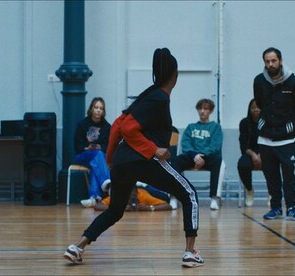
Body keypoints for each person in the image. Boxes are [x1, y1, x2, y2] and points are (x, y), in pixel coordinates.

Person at [64, 48, 204, 268]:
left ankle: (77, 247)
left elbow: (118, 125)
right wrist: (154, 150)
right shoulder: (158, 98)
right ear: (174, 75)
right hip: (143, 160)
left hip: (123, 162)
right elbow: (128, 127)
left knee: (115, 211)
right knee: (189, 194)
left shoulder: (148, 95)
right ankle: (190, 252)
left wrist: (111, 159)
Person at [254, 47, 295, 221]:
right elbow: (260, 103)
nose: (271, 64)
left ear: (280, 60)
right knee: (271, 175)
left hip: (286, 138)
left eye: (273, 60)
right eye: (267, 61)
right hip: (265, 138)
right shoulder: (259, 81)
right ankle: (275, 207)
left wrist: (287, 124)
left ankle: (292, 207)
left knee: (288, 176)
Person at [172, 99, 223, 210]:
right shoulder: (191, 127)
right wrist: (194, 155)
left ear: (211, 111)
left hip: (207, 158)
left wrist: (201, 155)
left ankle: (214, 198)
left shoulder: (216, 127)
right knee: (175, 161)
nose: (202, 111)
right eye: (200, 108)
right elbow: (185, 144)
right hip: (192, 157)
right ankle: (174, 196)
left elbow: (215, 146)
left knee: (218, 160)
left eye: (205, 109)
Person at [73, 97, 111, 208]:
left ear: (103, 111)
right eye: (96, 107)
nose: (98, 110)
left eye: (101, 108)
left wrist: (99, 146)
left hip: (99, 158)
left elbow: (109, 146)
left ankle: (94, 197)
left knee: (97, 161)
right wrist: (86, 148)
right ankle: (108, 184)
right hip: (83, 156)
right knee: (98, 157)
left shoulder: (107, 127)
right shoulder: (82, 124)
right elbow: (77, 146)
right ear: (91, 109)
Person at [237, 99, 262, 207]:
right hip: (249, 153)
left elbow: (270, 141)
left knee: (273, 163)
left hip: (265, 153)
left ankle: (272, 193)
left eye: (258, 107)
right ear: (249, 109)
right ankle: (249, 190)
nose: (255, 110)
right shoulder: (244, 123)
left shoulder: (268, 122)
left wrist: (261, 155)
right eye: (253, 108)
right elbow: (243, 144)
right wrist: (254, 155)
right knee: (242, 164)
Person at [93, 185, 173, 212]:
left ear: (137, 192)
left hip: (147, 189)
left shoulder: (142, 194)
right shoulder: (119, 195)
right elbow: (97, 206)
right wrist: (118, 208)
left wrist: (150, 208)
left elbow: (168, 206)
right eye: (129, 197)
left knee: (165, 196)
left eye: (134, 196)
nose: (132, 198)